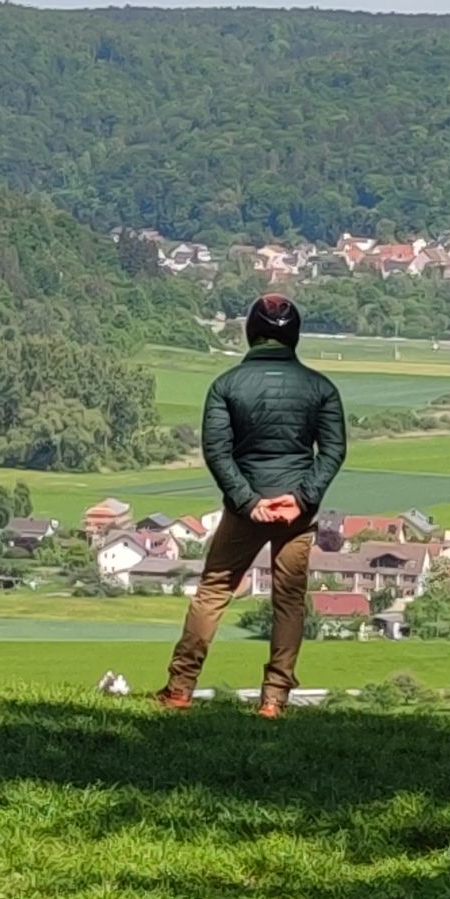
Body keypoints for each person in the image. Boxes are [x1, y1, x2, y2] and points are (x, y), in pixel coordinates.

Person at [159, 292, 346, 714]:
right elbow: (333, 451)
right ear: (295, 335)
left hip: (245, 508)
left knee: (213, 591)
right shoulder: (322, 388)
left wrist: (247, 501)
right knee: (289, 601)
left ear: (250, 333)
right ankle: (274, 700)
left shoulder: (225, 386)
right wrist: (301, 499)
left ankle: (179, 689)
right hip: (296, 514)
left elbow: (217, 451)